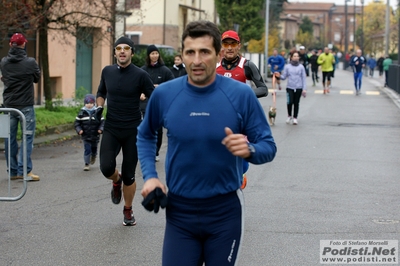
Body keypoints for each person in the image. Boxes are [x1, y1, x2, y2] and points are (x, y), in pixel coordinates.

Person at [137, 20, 277, 266]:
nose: (197, 60)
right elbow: (146, 134)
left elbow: (268, 145)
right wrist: (150, 175)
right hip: (180, 213)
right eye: (190, 52)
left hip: (225, 212)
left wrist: (250, 150)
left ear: (219, 54)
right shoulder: (165, 94)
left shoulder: (241, 95)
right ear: (182, 54)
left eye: (205, 52)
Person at [96, 36, 154, 226]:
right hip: (112, 127)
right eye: (118, 48)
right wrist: (98, 107)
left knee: (130, 174)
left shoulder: (140, 75)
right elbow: (101, 92)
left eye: (126, 48)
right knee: (106, 167)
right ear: (114, 52)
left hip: (132, 130)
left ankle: (128, 209)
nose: (122, 51)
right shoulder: (107, 72)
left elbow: (154, 96)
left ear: (132, 52)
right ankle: (115, 180)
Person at [1, 33, 41, 181]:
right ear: (24, 44)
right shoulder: (30, 62)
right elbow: (37, 78)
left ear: (11, 45)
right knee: (27, 138)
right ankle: (25, 171)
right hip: (25, 106)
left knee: (9, 138)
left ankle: (12, 172)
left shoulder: (4, 62)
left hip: (8, 106)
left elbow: (5, 78)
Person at [140, 45, 174, 162]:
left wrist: (160, 87)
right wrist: (141, 93)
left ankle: (156, 151)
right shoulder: (143, 70)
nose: (154, 55)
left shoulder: (165, 70)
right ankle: (147, 150)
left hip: (160, 103)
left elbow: (172, 85)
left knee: (158, 129)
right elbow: (137, 85)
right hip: (146, 103)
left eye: (156, 53)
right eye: (152, 53)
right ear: (148, 56)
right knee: (147, 126)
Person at [216, 30, 268, 98]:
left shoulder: (247, 65)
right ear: (221, 47)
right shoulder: (214, 66)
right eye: (225, 44)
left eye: (233, 44)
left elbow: (263, 89)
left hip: (241, 108)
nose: (229, 48)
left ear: (239, 46)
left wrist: (242, 94)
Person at [275, 51, 307, 125]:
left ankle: (295, 118)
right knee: (290, 102)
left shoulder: (301, 67)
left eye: (297, 56)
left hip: (299, 87)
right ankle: (289, 116)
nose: (296, 57)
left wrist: (304, 89)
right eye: (294, 56)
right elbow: (284, 77)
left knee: (296, 103)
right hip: (290, 87)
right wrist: (279, 76)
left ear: (299, 57)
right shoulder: (287, 67)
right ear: (291, 57)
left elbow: (303, 78)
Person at [74, 94, 104, 171]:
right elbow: (77, 123)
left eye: (91, 103)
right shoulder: (81, 113)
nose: (89, 105)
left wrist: (101, 129)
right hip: (86, 135)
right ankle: (86, 164)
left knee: (94, 148)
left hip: (95, 135)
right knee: (87, 149)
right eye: (87, 103)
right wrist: (79, 130)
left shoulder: (97, 112)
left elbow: (103, 122)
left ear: (94, 103)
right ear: (85, 104)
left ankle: (93, 156)